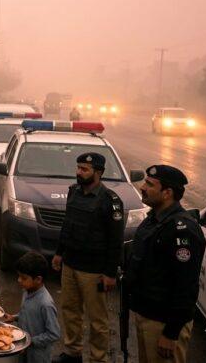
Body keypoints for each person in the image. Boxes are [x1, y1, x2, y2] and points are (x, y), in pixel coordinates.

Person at [124, 165, 205, 363]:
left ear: (167, 193)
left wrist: (171, 333)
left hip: (163, 323)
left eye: (150, 184)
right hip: (147, 315)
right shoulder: (154, 219)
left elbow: (186, 286)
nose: (142, 187)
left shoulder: (182, 230)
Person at [52, 152, 124, 363]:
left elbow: (115, 241)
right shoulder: (73, 192)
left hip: (93, 271)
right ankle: (72, 352)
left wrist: (110, 273)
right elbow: (67, 225)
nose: (79, 172)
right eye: (78, 168)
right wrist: (58, 253)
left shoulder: (110, 201)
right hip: (71, 264)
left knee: (97, 320)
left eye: (84, 169)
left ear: (98, 173)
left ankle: (98, 358)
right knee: (70, 312)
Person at [3, 252, 61, 363]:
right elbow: (28, 314)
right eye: (19, 276)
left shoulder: (46, 304)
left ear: (38, 279)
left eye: (23, 278)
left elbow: (54, 333)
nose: (19, 280)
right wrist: (14, 317)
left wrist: (30, 341)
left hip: (38, 356)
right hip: (23, 350)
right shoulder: (27, 291)